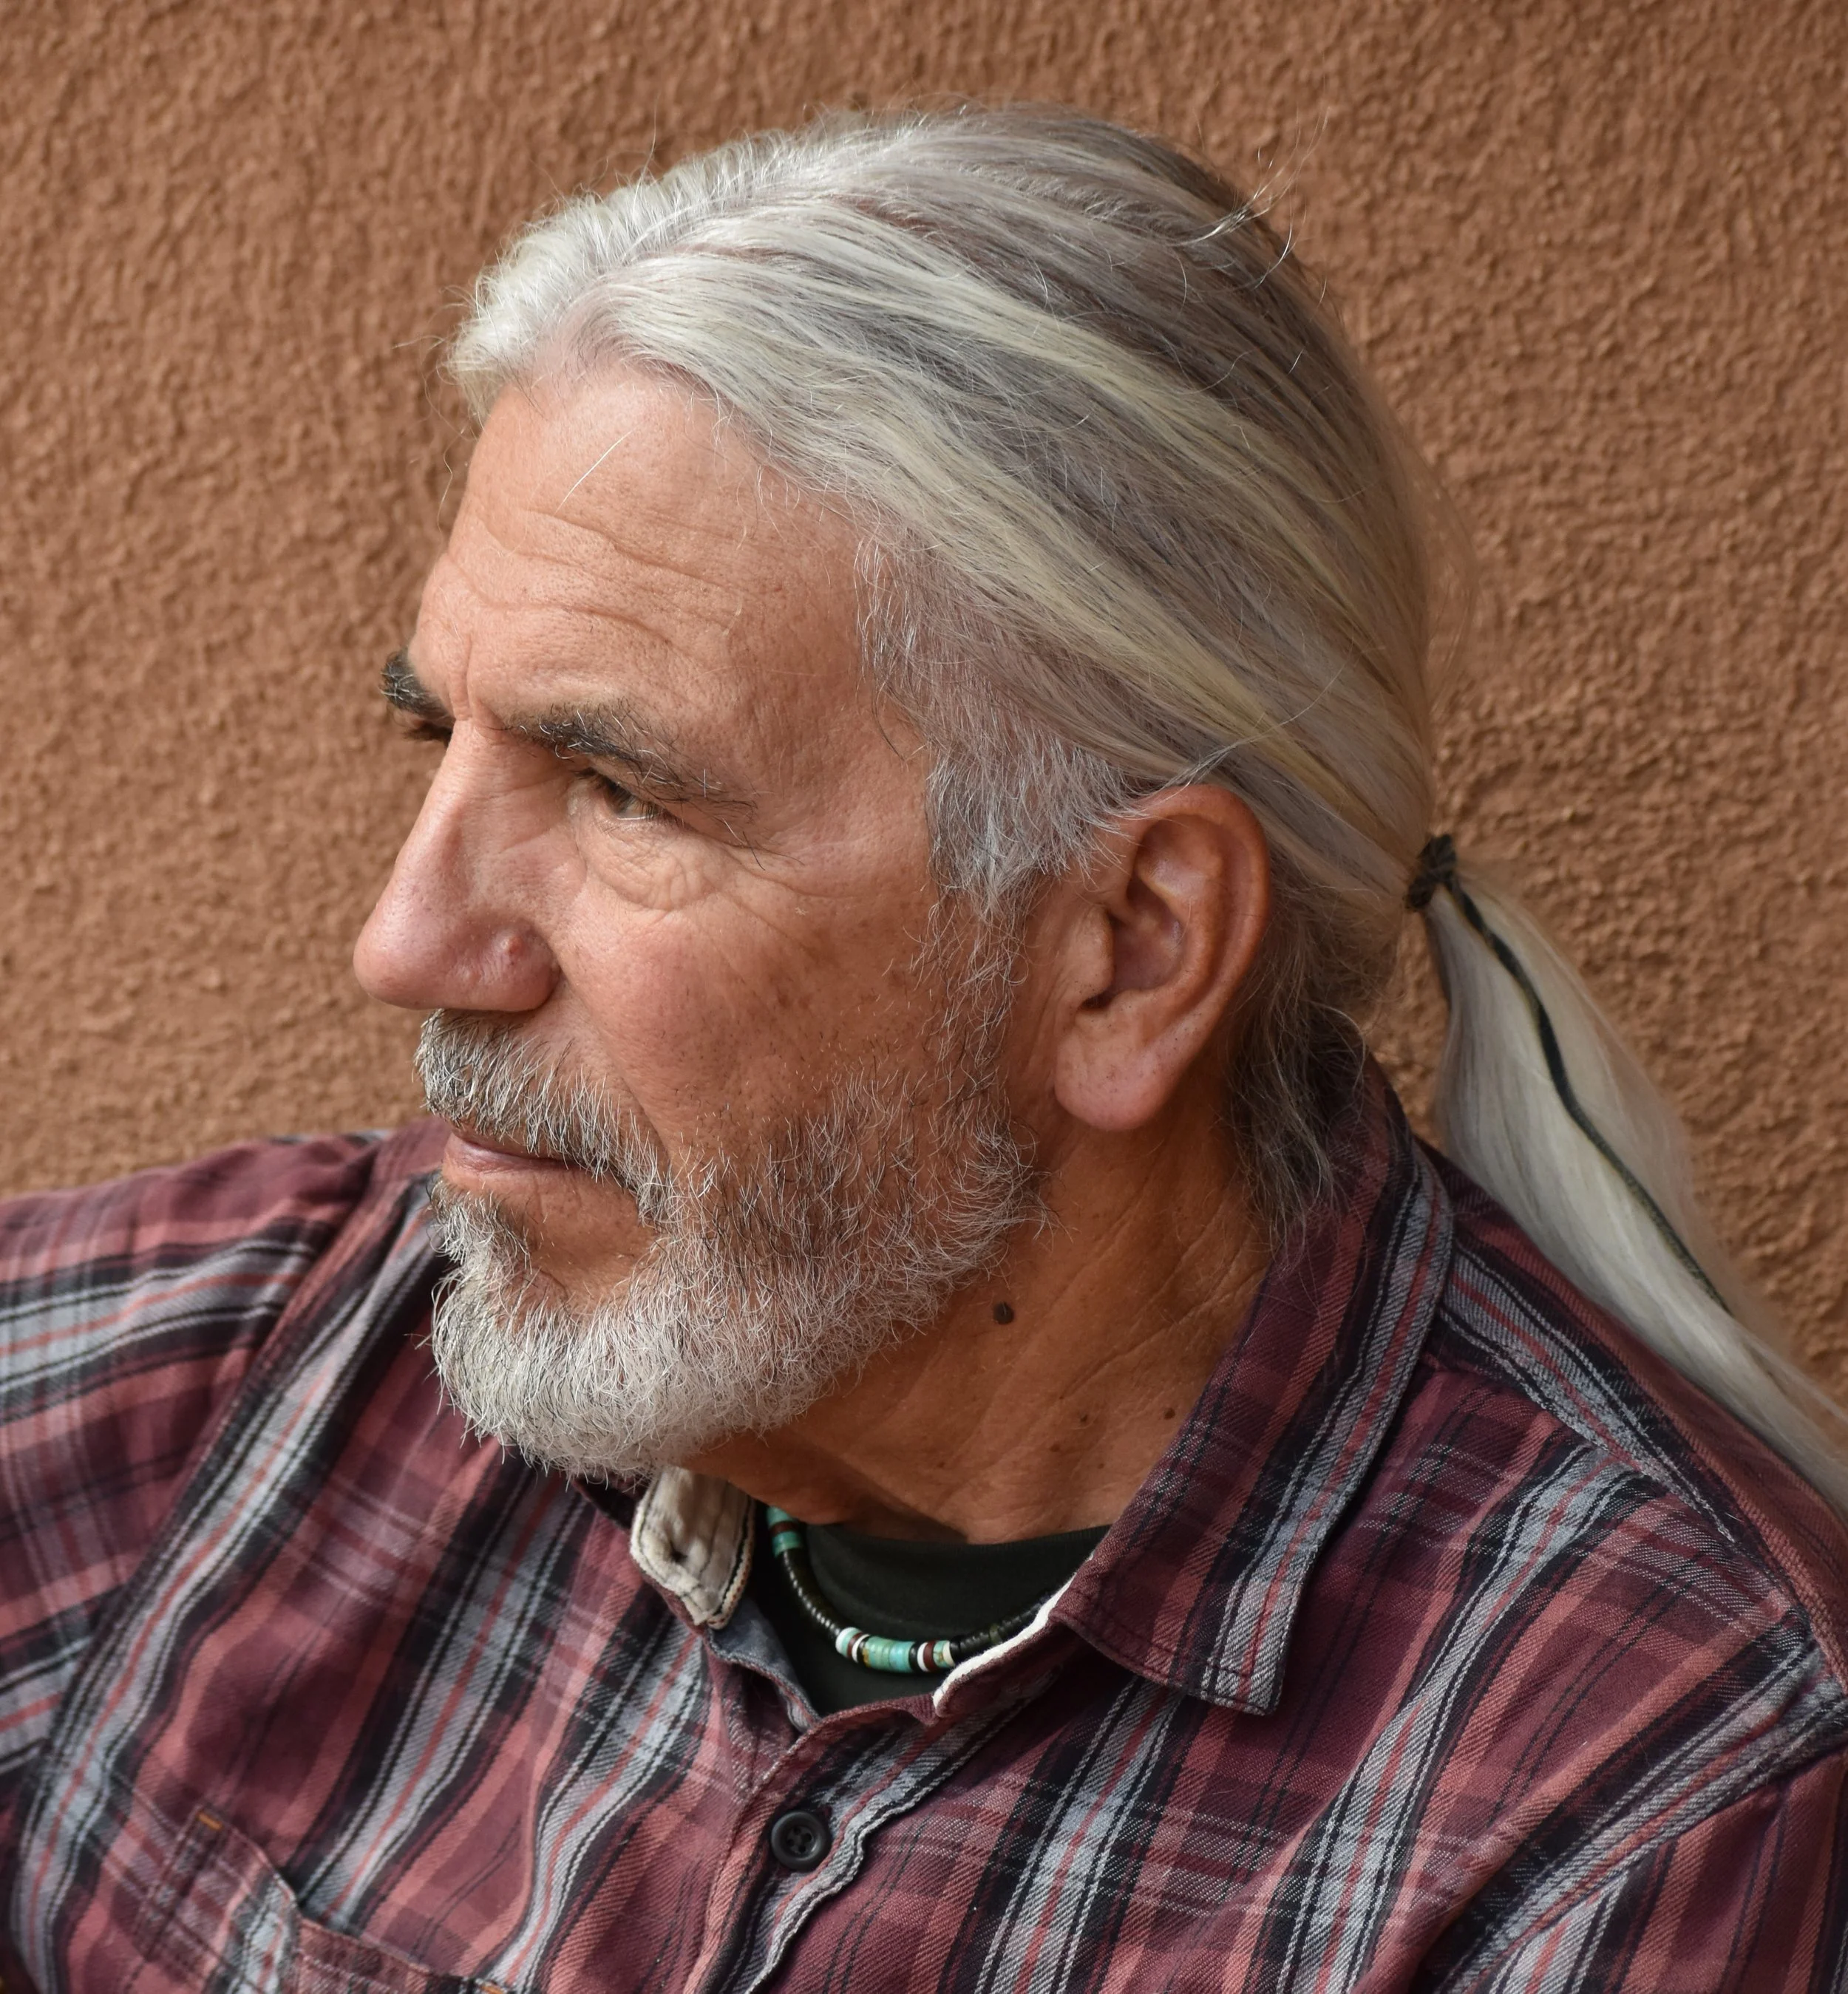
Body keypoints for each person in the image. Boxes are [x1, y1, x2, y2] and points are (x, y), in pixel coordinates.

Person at [2, 106, 1844, 1994]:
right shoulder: (273, 1359)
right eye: (439, 745)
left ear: (1124, 952)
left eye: (622, 791)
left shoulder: (1634, 1786)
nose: (407, 941)